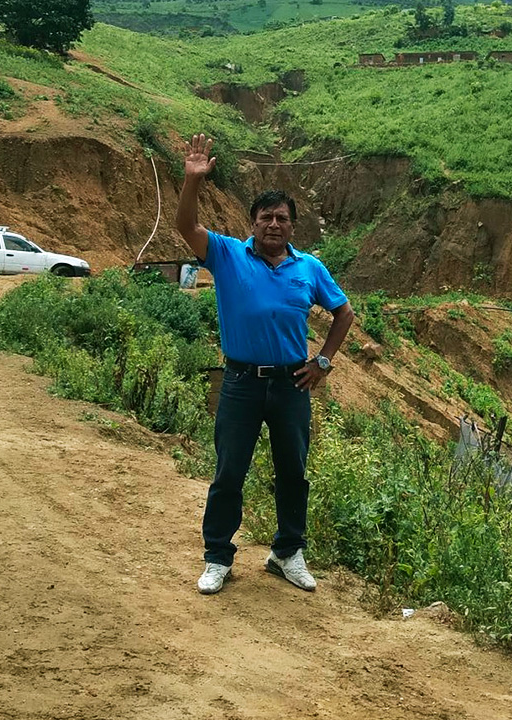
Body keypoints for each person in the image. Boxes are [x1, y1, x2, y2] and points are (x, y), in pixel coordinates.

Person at [175, 133, 355, 596]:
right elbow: (185, 226)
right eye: (266, 217)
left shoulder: (309, 267)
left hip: (293, 384)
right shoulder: (227, 254)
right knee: (229, 471)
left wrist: (322, 362)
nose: (274, 224)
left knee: (293, 472)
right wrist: (193, 181)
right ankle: (218, 557)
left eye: (282, 218)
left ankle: (287, 553)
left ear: (293, 226)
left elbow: (344, 313)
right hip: (240, 382)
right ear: (252, 223)